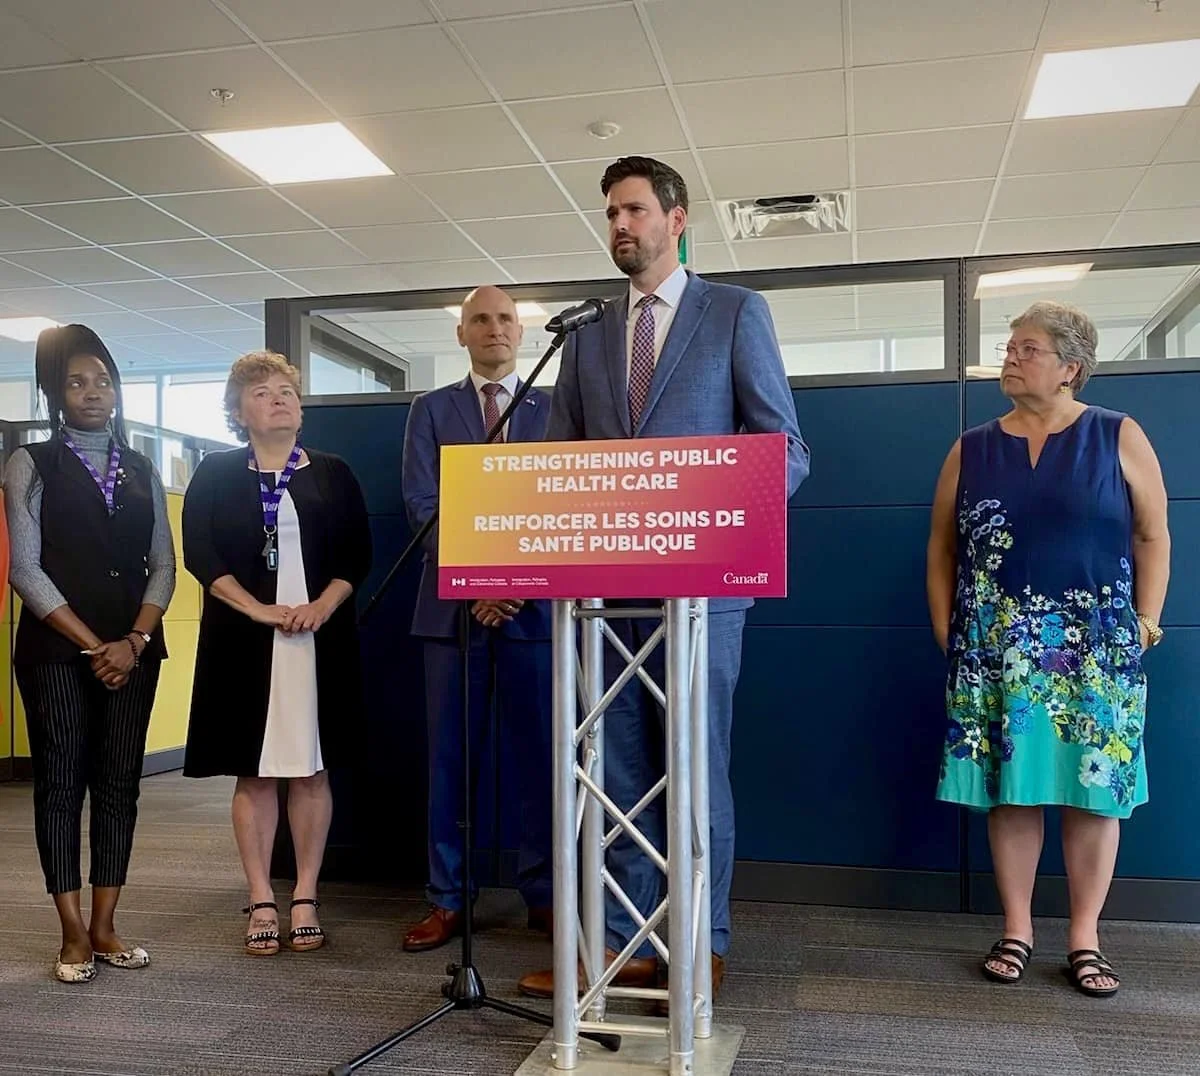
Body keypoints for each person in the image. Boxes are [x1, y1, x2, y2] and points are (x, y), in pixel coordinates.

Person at [517, 156, 810, 1001]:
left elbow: (785, 450)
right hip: (602, 599)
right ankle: (622, 944)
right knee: (614, 773)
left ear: (676, 221)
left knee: (694, 768)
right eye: (611, 212)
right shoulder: (587, 332)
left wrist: (706, 511)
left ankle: (699, 943)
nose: (620, 225)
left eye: (635, 210)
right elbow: (560, 463)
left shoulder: (735, 312)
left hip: (703, 595)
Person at [927, 301, 1170, 998]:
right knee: (1013, 791)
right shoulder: (970, 448)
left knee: (1094, 798)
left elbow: (1153, 534)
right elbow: (942, 546)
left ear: (1070, 368)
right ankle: (1017, 929)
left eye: (1026, 348)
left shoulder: (1118, 434)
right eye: (1010, 346)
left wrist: (1146, 623)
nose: (1010, 356)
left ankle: (1085, 938)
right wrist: (948, 630)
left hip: (1097, 651)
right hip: (994, 650)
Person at [181, 351, 371, 957]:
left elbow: (357, 554)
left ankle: (306, 894)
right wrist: (257, 609)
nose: (278, 399)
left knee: (312, 769)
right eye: (261, 393)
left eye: (286, 390)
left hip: (317, 639)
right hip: (243, 640)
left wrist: (323, 605)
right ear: (239, 413)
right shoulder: (216, 471)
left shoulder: (333, 472)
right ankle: (262, 895)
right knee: (255, 771)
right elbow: (200, 553)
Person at [5, 324, 176, 983]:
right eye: (77, 382)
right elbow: (25, 569)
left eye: (103, 380)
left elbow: (163, 565)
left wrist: (133, 641)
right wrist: (94, 645)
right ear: (57, 393)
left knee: (118, 784)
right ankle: (71, 931)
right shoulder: (31, 463)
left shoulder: (142, 467)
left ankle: (105, 925)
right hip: (55, 651)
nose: (93, 391)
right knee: (59, 784)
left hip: (133, 651)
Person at [400, 285, 554, 952]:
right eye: (480, 319)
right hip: (453, 615)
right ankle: (448, 898)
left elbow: (563, 503)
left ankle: (545, 895)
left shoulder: (557, 407)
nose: (495, 328)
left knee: (542, 761)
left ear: (522, 332)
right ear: (461, 334)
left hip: (536, 612)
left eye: (506, 319)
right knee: (450, 764)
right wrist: (478, 584)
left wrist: (512, 584)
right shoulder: (431, 410)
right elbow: (421, 503)